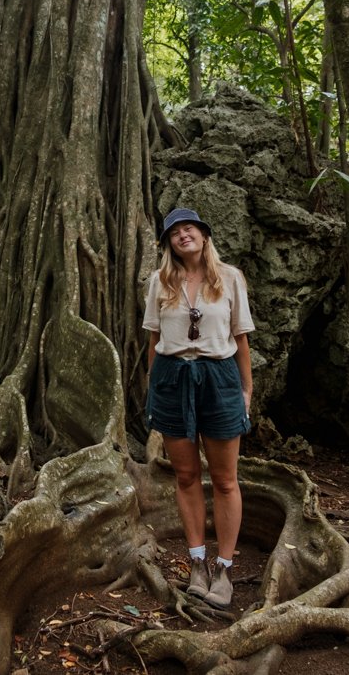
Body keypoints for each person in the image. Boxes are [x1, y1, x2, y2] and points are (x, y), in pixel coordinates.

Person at [143, 207, 254, 609]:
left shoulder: (230, 278)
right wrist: (154, 389)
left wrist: (245, 391)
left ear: (204, 236)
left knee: (225, 479)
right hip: (173, 379)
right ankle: (197, 562)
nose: (182, 235)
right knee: (187, 476)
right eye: (174, 232)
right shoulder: (160, 282)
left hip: (219, 378)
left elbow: (240, 339)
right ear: (168, 243)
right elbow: (154, 340)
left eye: (189, 228)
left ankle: (223, 568)